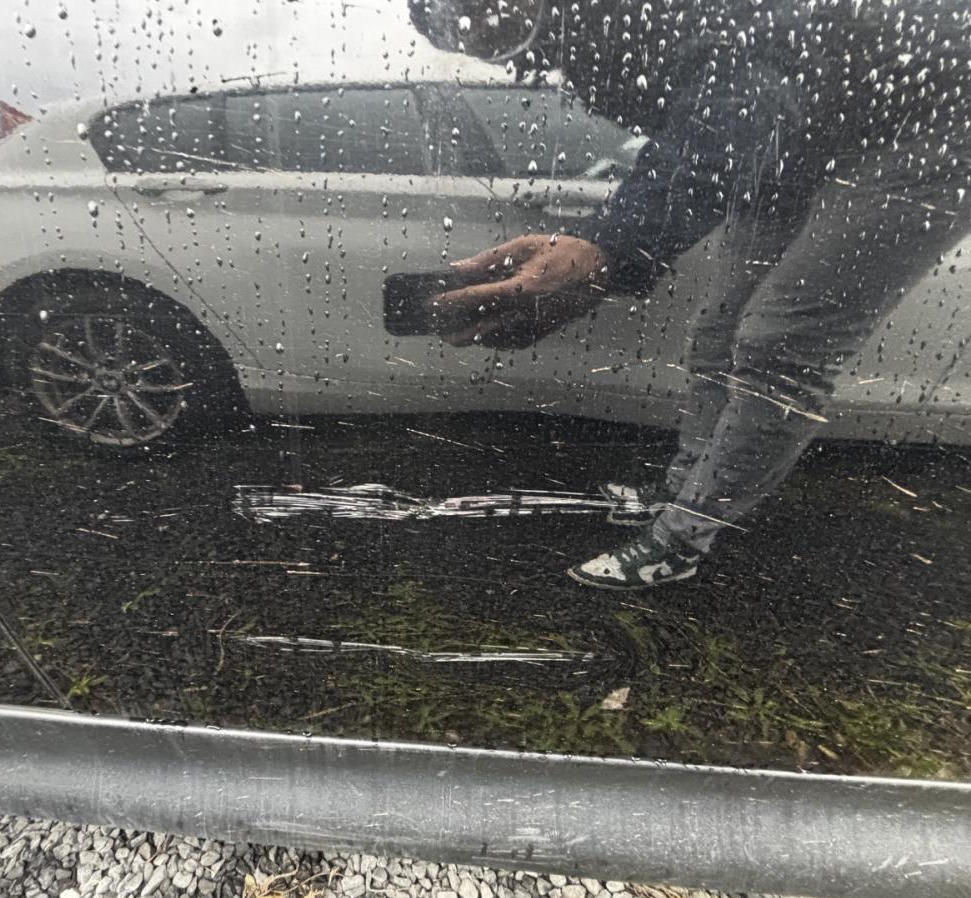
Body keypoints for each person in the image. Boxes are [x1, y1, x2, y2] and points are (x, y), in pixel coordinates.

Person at [409, 0, 971, 589]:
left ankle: (683, 538)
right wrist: (607, 261)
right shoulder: (571, 39)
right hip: (801, 139)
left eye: (478, 23)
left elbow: (735, 114)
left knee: (780, 345)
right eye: (461, 38)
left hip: (929, 126)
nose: (483, 46)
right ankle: (681, 489)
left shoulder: (640, 15)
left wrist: (609, 244)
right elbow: (708, 125)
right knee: (717, 330)